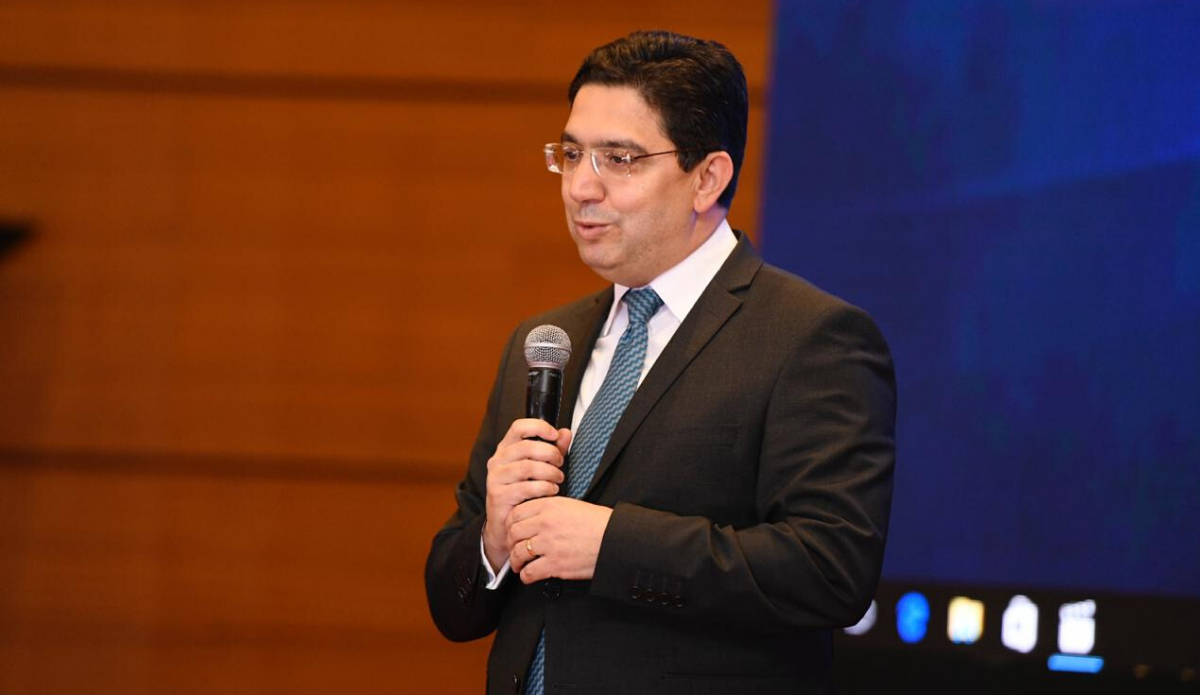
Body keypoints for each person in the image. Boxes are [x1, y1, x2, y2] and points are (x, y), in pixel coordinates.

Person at [425, 30, 896, 695]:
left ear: (708, 178)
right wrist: (494, 539)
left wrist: (611, 545)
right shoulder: (545, 341)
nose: (580, 187)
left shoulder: (810, 338)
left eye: (619, 159)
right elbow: (452, 607)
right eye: (572, 153)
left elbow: (830, 571)